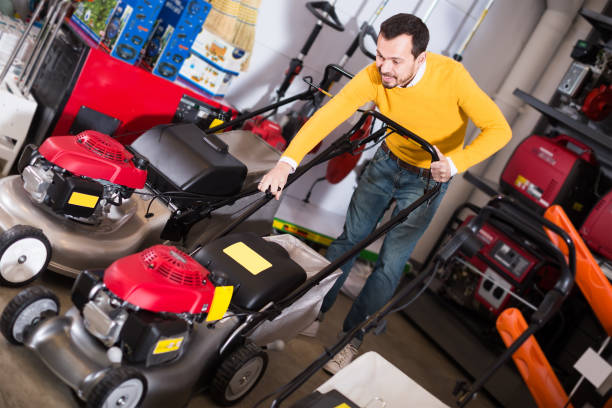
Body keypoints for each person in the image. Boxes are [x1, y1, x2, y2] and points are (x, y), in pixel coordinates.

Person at [258, 13, 511, 374]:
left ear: (419, 58)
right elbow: (330, 115)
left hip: (427, 179)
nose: (384, 67)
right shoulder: (375, 75)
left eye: (395, 60)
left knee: (391, 263)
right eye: (379, 55)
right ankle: (314, 313)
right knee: (349, 242)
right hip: (387, 163)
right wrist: (287, 162)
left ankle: (351, 340)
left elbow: (499, 129)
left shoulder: (452, 78)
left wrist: (456, 163)